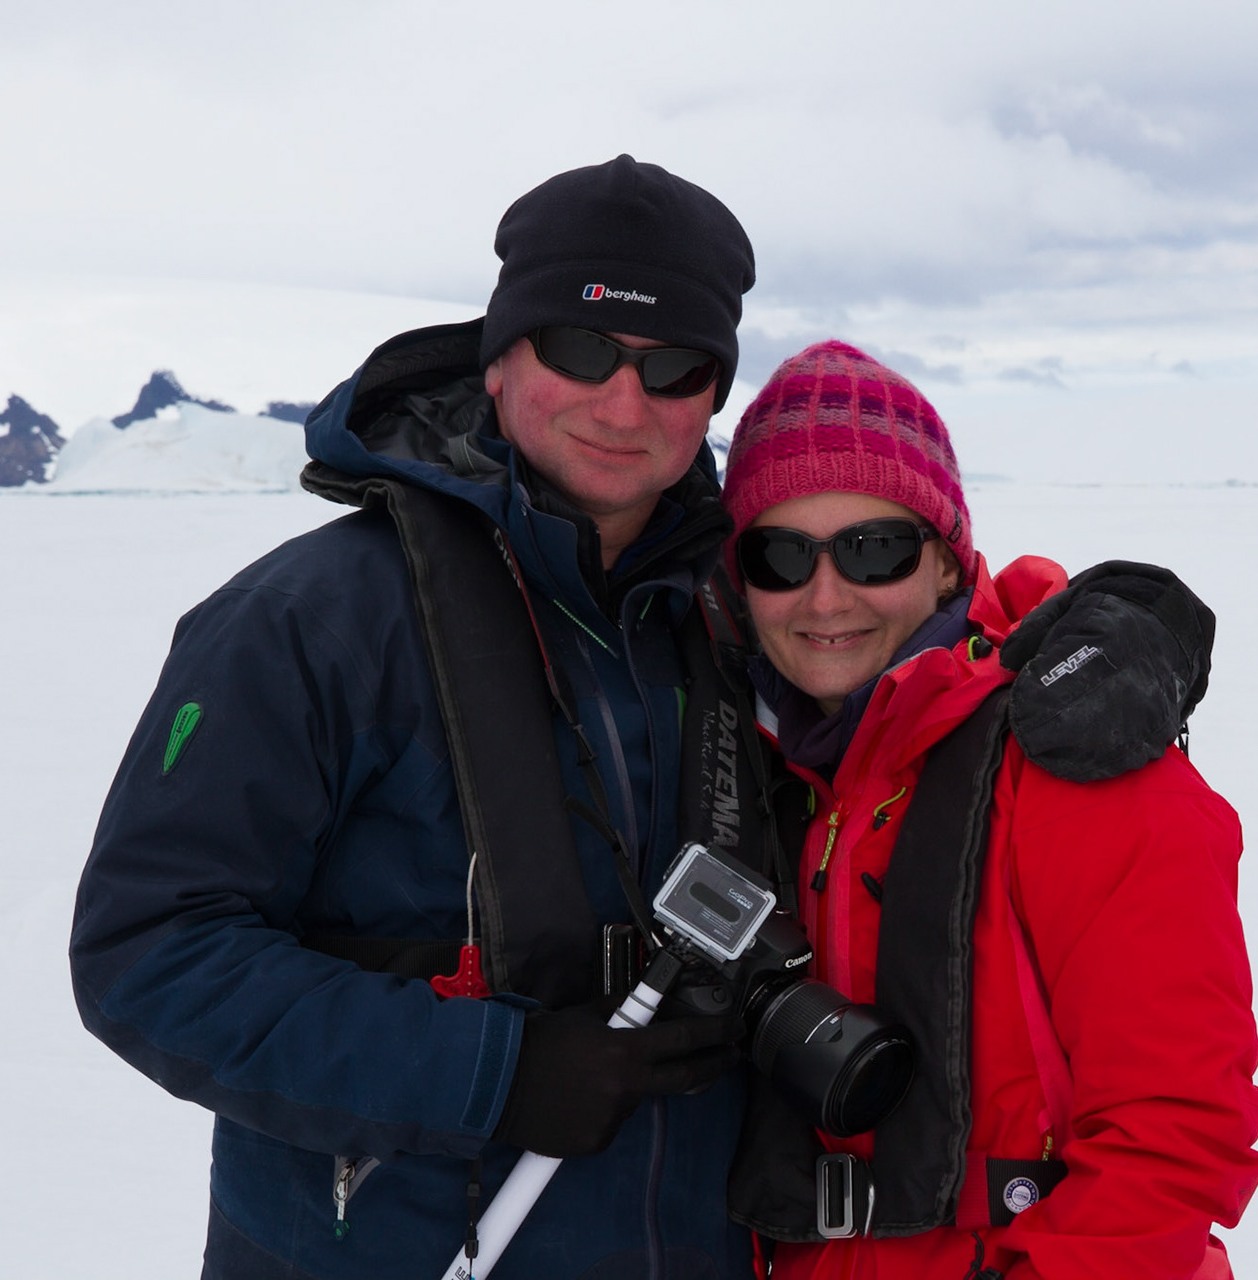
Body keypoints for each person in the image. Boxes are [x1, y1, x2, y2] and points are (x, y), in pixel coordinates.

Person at [69, 156, 765, 1280]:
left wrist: (1110, 631)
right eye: (582, 349)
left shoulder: (748, 609)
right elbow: (147, 950)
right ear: (498, 362)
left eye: (674, 367)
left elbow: (935, 653)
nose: (623, 403)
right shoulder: (307, 620)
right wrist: (490, 1069)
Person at [718, 342, 1258, 1279]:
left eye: (873, 548)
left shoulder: (1073, 759)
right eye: (779, 554)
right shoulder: (768, 775)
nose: (825, 596)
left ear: (945, 561)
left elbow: (1175, 1134)